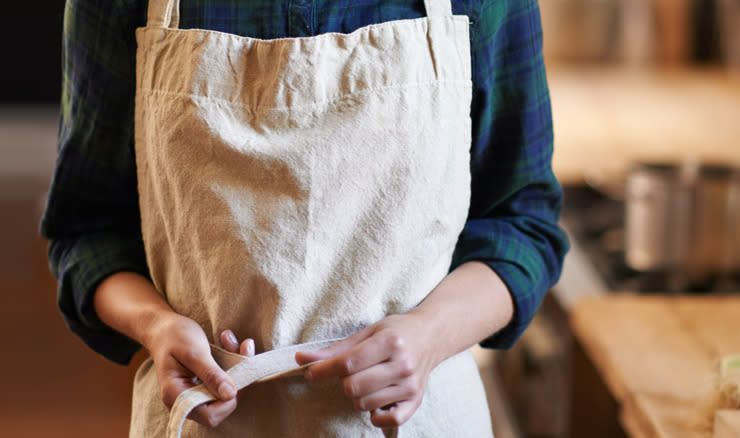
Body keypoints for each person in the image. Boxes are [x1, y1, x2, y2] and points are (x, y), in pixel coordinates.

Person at [41, 0, 569, 436]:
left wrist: (428, 335)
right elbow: (88, 230)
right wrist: (157, 327)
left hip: (418, 423)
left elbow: (521, 222)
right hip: (205, 423)